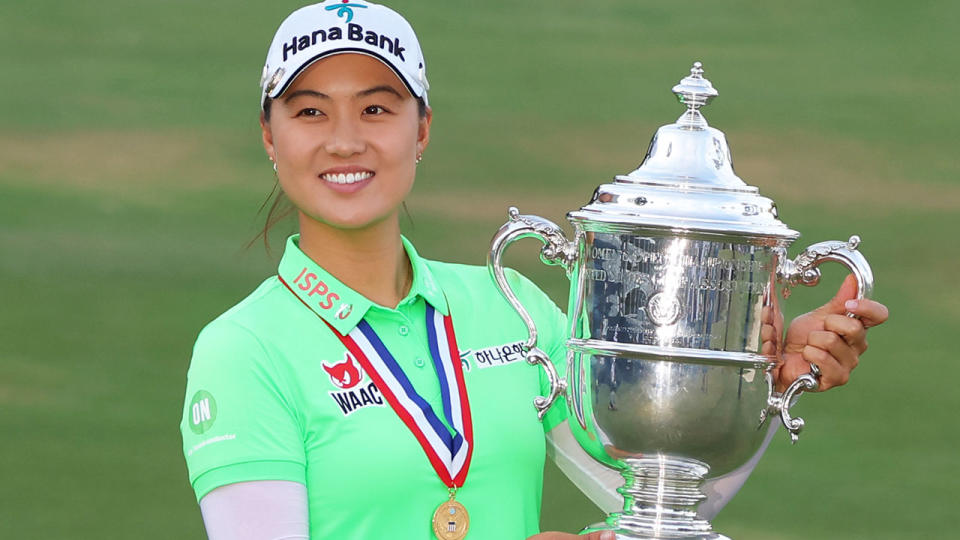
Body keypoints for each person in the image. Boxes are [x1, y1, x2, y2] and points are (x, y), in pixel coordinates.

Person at [179, 2, 889, 539]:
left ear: (420, 129)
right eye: (309, 111)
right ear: (270, 136)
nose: (344, 140)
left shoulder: (505, 301)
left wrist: (748, 374)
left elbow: (664, 501)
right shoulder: (245, 350)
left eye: (376, 108)